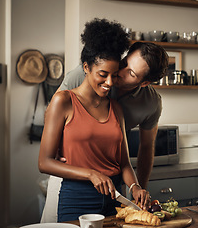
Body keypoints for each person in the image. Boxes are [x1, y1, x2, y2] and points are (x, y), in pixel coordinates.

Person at [40, 34, 169, 222]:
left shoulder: (146, 103)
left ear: (144, 83)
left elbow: (145, 148)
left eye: (130, 73)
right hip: (71, 176)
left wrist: (137, 187)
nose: (117, 74)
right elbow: (54, 113)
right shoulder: (87, 72)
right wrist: (59, 145)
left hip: (112, 186)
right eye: (124, 63)